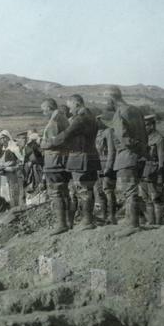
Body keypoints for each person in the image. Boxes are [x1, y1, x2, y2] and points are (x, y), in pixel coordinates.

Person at [42, 94, 100, 230]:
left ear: (77, 104)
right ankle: (87, 220)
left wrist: (48, 143)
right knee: (87, 189)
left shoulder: (80, 119)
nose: (70, 111)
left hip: (80, 158)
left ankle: (87, 221)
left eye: (70, 107)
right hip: (91, 157)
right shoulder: (92, 117)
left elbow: (65, 135)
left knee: (83, 190)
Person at [107, 86, 148, 234]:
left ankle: (133, 225)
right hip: (139, 157)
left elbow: (124, 139)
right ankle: (133, 221)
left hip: (126, 157)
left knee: (129, 191)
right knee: (133, 190)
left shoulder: (119, 114)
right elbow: (144, 135)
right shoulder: (135, 110)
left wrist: (133, 146)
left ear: (112, 99)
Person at [39, 98, 70, 235]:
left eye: (43, 109)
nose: (43, 112)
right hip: (62, 160)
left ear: (49, 108)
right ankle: (68, 222)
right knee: (64, 192)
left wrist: (41, 144)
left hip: (54, 161)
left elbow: (53, 142)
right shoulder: (63, 118)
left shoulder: (54, 121)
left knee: (56, 192)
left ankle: (61, 224)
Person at [142, 115, 164, 225]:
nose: (144, 128)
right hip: (144, 172)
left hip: (155, 172)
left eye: (146, 125)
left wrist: (160, 177)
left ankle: (159, 223)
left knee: (156, 198)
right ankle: (151, 221)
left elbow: (162, 161)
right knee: (146, 198)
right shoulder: (144, 138)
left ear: (152, 125)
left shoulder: (159, 139)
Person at [94, 112, 117, 224]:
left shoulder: (109, 132)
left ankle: (112, 216)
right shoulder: (94, 134)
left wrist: (109, 166)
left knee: (108, 190)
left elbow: (112, 151)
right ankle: (103, 216)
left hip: (107, 165)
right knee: (99, 192)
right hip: (97, 166)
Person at [0, 130, 22, 209]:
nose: (3, 140)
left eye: (5, 138)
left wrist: (9, 168)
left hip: (11, 177)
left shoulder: (14, 149)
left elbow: (20, 162)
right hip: (0, 178)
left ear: (8, 138)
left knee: (12, 196)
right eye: (1, 138)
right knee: (2, 197)